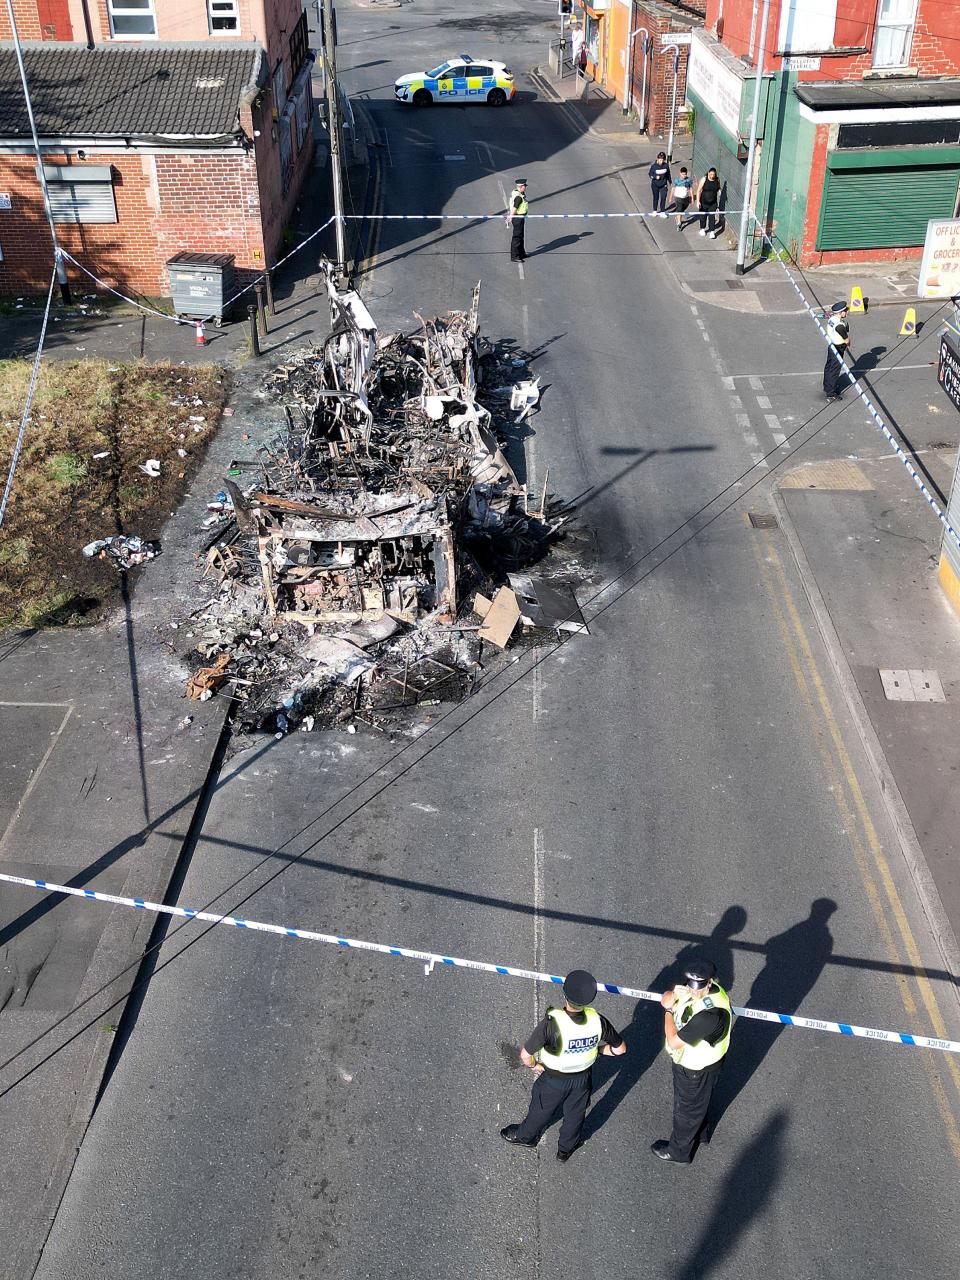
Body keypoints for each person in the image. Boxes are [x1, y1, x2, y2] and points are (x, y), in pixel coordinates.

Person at [501, 969, 626, 1162]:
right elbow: (620, 1049)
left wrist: (534, 1065)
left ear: (565, 995)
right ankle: (565, 1150)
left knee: (541, 1110)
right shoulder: (598, 1021)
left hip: (553, 1080)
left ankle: (525, 1137)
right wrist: (597, 1050)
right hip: (582, 1080)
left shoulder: (551, 1024)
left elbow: (525, 1055)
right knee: (575, 1116)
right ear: (588, 1001)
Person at [651, 958, 731, 1164]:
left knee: (686, 1111)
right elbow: (669, 996)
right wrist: (671, 996)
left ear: (710, 982)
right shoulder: (701, 989)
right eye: (691, 985)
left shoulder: (710, 1015)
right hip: (705, 1063)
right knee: (699, 1103)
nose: (694, 991)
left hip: (695, 1068)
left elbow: (674, 1041)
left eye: (699, 987)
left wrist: (668, 1010)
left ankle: (678, 1152)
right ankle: (700, 1134)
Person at [823, 301, 851, 400]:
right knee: (834, 370)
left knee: (829, 366)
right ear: (841, 312)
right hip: (838, 348)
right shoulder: (839, 325)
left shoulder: (832, 319)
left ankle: (826, 386)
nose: (847, 311)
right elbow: (846, 339)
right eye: (846, 310)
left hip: (831, 345)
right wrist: (848, 342)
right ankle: (831, 393)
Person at [506, 177, 529, 263]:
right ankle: (515, 256)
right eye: (524, 186)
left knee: (521, 236)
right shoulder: (518, 197)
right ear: (520, 187)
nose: (525, 187)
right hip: (517, 218)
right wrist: (510, 217)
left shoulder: (517, 193)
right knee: (517, 237)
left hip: (520, 217)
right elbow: (515, 208)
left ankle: (521, 253)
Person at [695, 167, 722, 238]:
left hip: (713, 202)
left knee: (712, 216)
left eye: (713, 174)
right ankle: (702, 229)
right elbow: (698, 190)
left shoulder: (717, 180)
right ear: (708, 173)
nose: (712, 176)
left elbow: (718, 187)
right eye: (711, 174)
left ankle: (712, 232)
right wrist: (698, 202)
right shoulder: (704, 179)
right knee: (703, 216)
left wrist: (719, 191)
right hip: (703, 201)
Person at [649, 152, 671, 218]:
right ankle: (655, 211)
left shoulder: (666, 166)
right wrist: (655, 177)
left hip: (663, 185)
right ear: (657, 159)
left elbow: (668, 174)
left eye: (662, 160)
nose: (661, 161)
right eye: (660, 160)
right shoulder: (654, 166)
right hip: (655, 185)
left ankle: (662, 212)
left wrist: (670, 182)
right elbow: (650, 175)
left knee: (663, 198)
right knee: (656, 197)